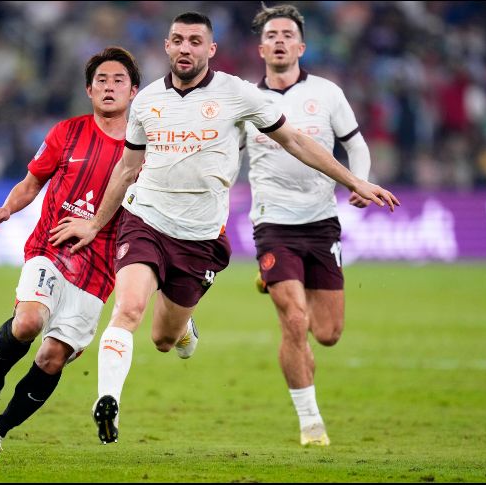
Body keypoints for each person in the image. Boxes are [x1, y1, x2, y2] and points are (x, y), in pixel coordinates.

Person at [51, 11, 399, 445]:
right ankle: (108, 403)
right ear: (166, 46)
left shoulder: (237, 94)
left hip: (199, 237)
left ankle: (184, 329)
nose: (185, 48)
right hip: (145, 220)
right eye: (177, 40)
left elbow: (295, 141)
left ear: (210, 49)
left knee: (163, 337)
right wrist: (95, 223)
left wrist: (354, 180)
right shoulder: (146, 102)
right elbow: (127, 169)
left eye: (195, 41)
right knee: (128, 309)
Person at [0, 47, 140, 452]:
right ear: (89, 90)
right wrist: (6, 208)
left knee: (52, 357)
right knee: (27, 323)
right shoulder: (66, 133)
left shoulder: (143, 151)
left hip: (99, 269)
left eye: (119, 81)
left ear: (134, 91)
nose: (109, 87)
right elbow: (31, 182)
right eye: (102, 81)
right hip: (51, 247)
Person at [242, 3, 372, 447]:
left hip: (321, 224)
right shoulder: (246, 99)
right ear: (261, 48)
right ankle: (310, 422)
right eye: (271, 35)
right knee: (294, 323)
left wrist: (361, 182)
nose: (279, 40)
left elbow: (356, 145)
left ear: (301, 46)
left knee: (328, 334)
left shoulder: (328, 93)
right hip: (273, 224)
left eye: (286, 35)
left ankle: (274, 281)